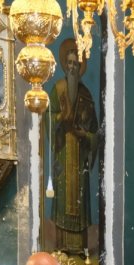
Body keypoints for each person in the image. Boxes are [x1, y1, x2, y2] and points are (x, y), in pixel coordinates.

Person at [48, 38, 99, 253]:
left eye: (75, 64)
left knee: (79, 201)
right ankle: (60, 248)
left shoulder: (86, 95)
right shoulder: (58, 89)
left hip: (79, 156)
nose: (71, 67)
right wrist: (61, 118)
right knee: (62, 200)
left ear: (80, 68)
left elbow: (95, 133)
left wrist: (82, 134)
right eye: (68, 63)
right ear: (63, 64)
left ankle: (80, 250)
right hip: (62, 153)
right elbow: (48, 120)